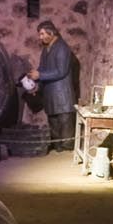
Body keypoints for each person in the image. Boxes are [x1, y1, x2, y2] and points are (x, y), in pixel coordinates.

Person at [27, 20, 78, 152]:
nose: (41, 37)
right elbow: (42, 68)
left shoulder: (62, 48)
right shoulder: (46, 49)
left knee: (65, 122)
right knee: (53, 122)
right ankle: (58, 147)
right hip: (50, 93)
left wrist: (40, 75)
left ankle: (67, 150)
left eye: (43, 34)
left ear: (52, 32)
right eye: (40, 34)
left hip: (62, 94)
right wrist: (35, 78)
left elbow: (61, 71)